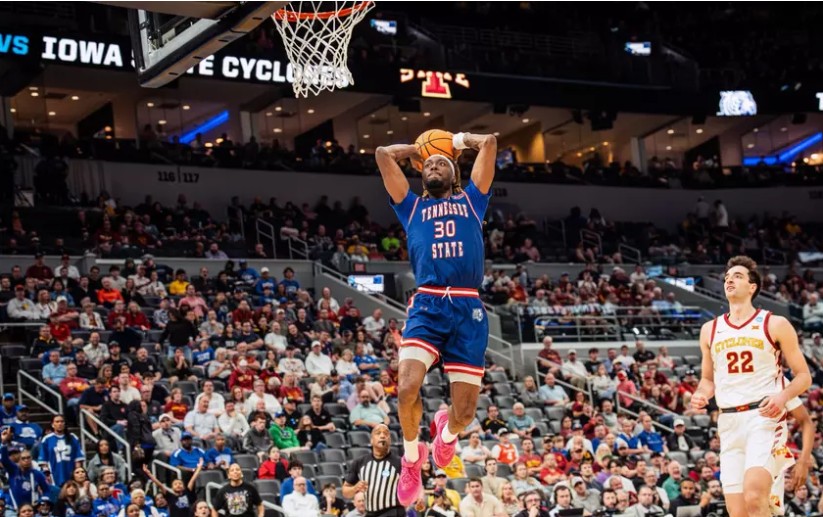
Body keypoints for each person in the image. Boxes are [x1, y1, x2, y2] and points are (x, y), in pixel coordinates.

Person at [376, 131, 497, 506]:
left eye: (440, 163)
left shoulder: (473, 200)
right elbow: (382, 154)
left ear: (454, 173)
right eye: (427, 164)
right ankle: (412, 458)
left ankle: (446, 434)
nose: (432, 166)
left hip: (467, 307)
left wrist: (454, 143)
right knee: (406, 387)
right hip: (427, 304)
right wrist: (421, 148)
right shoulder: (410, 206)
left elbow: (490, 143)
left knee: (464, 414)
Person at [691, 256, 811, 517]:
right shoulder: (709, 329)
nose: (729, 280)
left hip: (763, 416)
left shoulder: (775, 323)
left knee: (755, 496)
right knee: (738, 512)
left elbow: (804, 376)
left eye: (737, 276)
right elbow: (708, 380)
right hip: (729, 421)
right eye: (727, 277)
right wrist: (700, 394)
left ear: (752, 287)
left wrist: (782, 397)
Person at [342, 424, 404, 517]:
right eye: (378, 433)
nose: (382, 436)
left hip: (393, 512)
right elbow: (345, 492)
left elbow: (413, 485)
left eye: (386, 433)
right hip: (370, 513)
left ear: (390, 440)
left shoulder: (400, 462)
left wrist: (419, 498)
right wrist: (355, 488)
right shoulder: (360, 462)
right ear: (371, 440)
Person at [38, 414, 84, 487]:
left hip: (70, 473)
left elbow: (78, 459)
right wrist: (47, 474)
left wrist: (77, 475)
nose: (60, 424)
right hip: (54, 473)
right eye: (57, 422)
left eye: (62, 421)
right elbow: (43, 460)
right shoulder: (47, 439)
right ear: (52, 424)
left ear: (65, 424)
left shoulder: (73, 438)